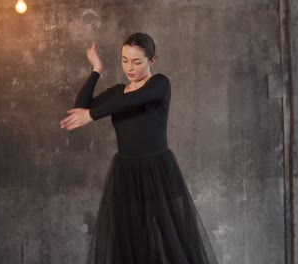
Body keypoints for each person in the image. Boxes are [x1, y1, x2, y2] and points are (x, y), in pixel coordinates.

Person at [60, 32, 218, 264]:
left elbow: (133, 100)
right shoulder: (116, 93)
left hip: (158, 172)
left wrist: (92, 116)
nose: (129, 68)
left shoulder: (159, 84)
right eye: (125, 60)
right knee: (132, 245)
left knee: (172, 241)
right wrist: (96, 69)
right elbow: (80, 107)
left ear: (152, 61)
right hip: (127, 175)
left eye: (137, 62)